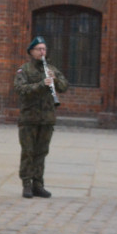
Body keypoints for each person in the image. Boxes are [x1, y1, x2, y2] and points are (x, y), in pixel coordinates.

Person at [14, 36, 68, 198]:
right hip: (29, 118)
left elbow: (65, 86)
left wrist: (55, 79)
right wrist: (40, 84)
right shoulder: (24, 70)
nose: (42, 52)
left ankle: (38, 184)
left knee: (41, 152)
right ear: (31, 52)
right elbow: (20, 89)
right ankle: (27, 184)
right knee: (28, 152)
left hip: (47, 117)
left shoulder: (51, 68)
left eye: (44, 49)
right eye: (39, 49)